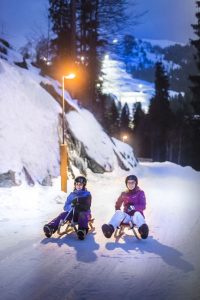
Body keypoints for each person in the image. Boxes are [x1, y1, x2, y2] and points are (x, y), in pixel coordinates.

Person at [43, 176, 92, 240]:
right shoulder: (72, 195)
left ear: (84, 185)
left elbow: (87, 206)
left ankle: (82, 230)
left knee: (82, 215)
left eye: (80, 184)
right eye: (77, 184)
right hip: (73, 214)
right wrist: (71, 205)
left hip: (85, 214)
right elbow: (65, 207)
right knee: (63, 214)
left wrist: (78, 202)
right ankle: (51, 227)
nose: (78, 186)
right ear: (75, 185)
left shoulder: (87, 194)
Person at [101, 175, 149, 239]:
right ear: (126, 183)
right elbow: (118, 204)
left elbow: (143, 206)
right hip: (127, 217)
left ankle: (143, 230)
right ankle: (110, 229)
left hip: (136, 218)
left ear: (136, 183)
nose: (130, 184)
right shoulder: (124, 193)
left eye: (132, 182)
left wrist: (133, 207)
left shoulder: (140, 193)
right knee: (119, 212)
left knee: (137, 214)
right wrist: (118, 216)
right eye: (128, 182)